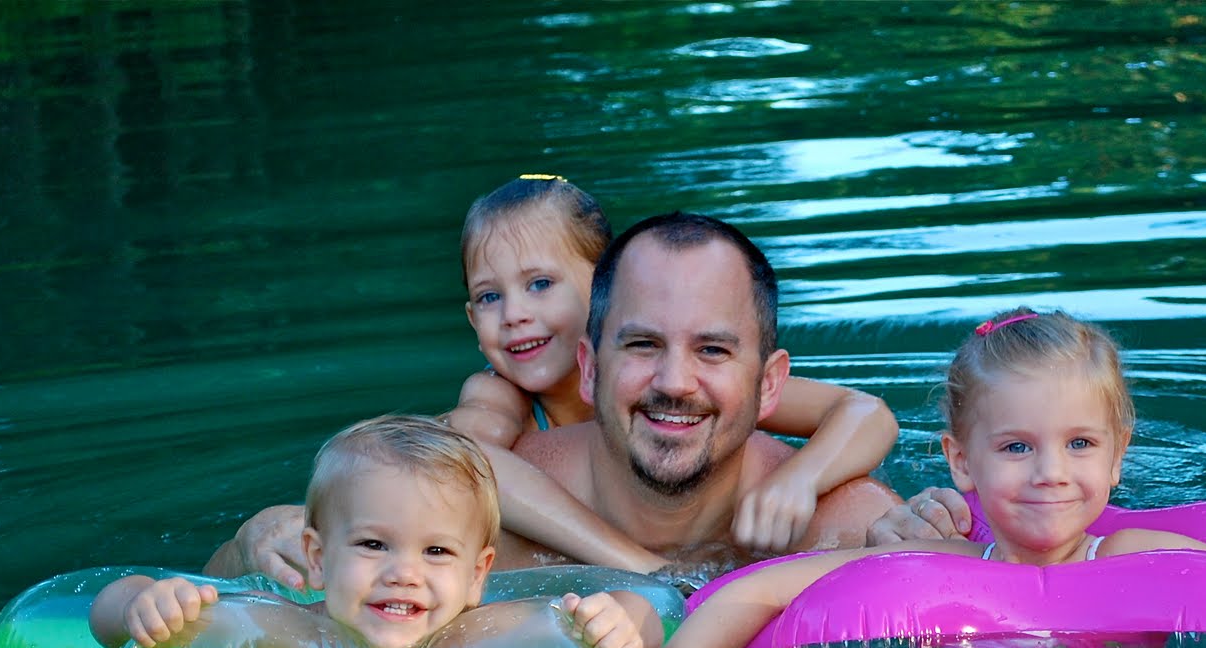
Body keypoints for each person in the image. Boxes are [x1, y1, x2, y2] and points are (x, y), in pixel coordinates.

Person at [656, 308, 1206, 648]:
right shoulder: (939, 561)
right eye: (1017, 448)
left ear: (1119, 459)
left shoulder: (1138, 554)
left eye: (1080, 444)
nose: (1050, 473)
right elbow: (748, 593)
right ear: (960, 462)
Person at [207, 212, 902, 585]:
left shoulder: (847, 529)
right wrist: (253, 543)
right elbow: (239, 590)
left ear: (770, 383)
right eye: (641, 345)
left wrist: (937, 529)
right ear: (588, 367)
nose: (674, 381)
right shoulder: (482, 523)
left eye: (713, 350)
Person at [448, 176, 898, 564]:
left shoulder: (738, 396)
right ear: (592, 366)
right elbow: (459, 464)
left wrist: (799, 479)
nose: (515, 315)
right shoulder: (498, 397)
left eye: (541, 284)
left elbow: (866, 412)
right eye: (490, 297)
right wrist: (641, 567)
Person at [95, 415, 659, 648]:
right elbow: (105, 613)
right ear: (318, 558)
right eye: (373, 545)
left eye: (436, 552)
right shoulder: (281, 627)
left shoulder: (493, 634)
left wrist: (620, 623)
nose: (403, 574)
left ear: (477, 575)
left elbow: (647, 611)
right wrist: (142, 604)